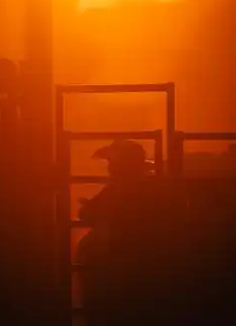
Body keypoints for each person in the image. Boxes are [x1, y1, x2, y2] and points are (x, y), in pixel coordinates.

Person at [78, 140, 183, 326]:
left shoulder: (119, 187)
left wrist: (90, 208)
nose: (109, 167)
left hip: (120, 262)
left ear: (121, 165)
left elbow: (89, 214)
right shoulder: (153, 186)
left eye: (112, 162)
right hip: (151, 264)